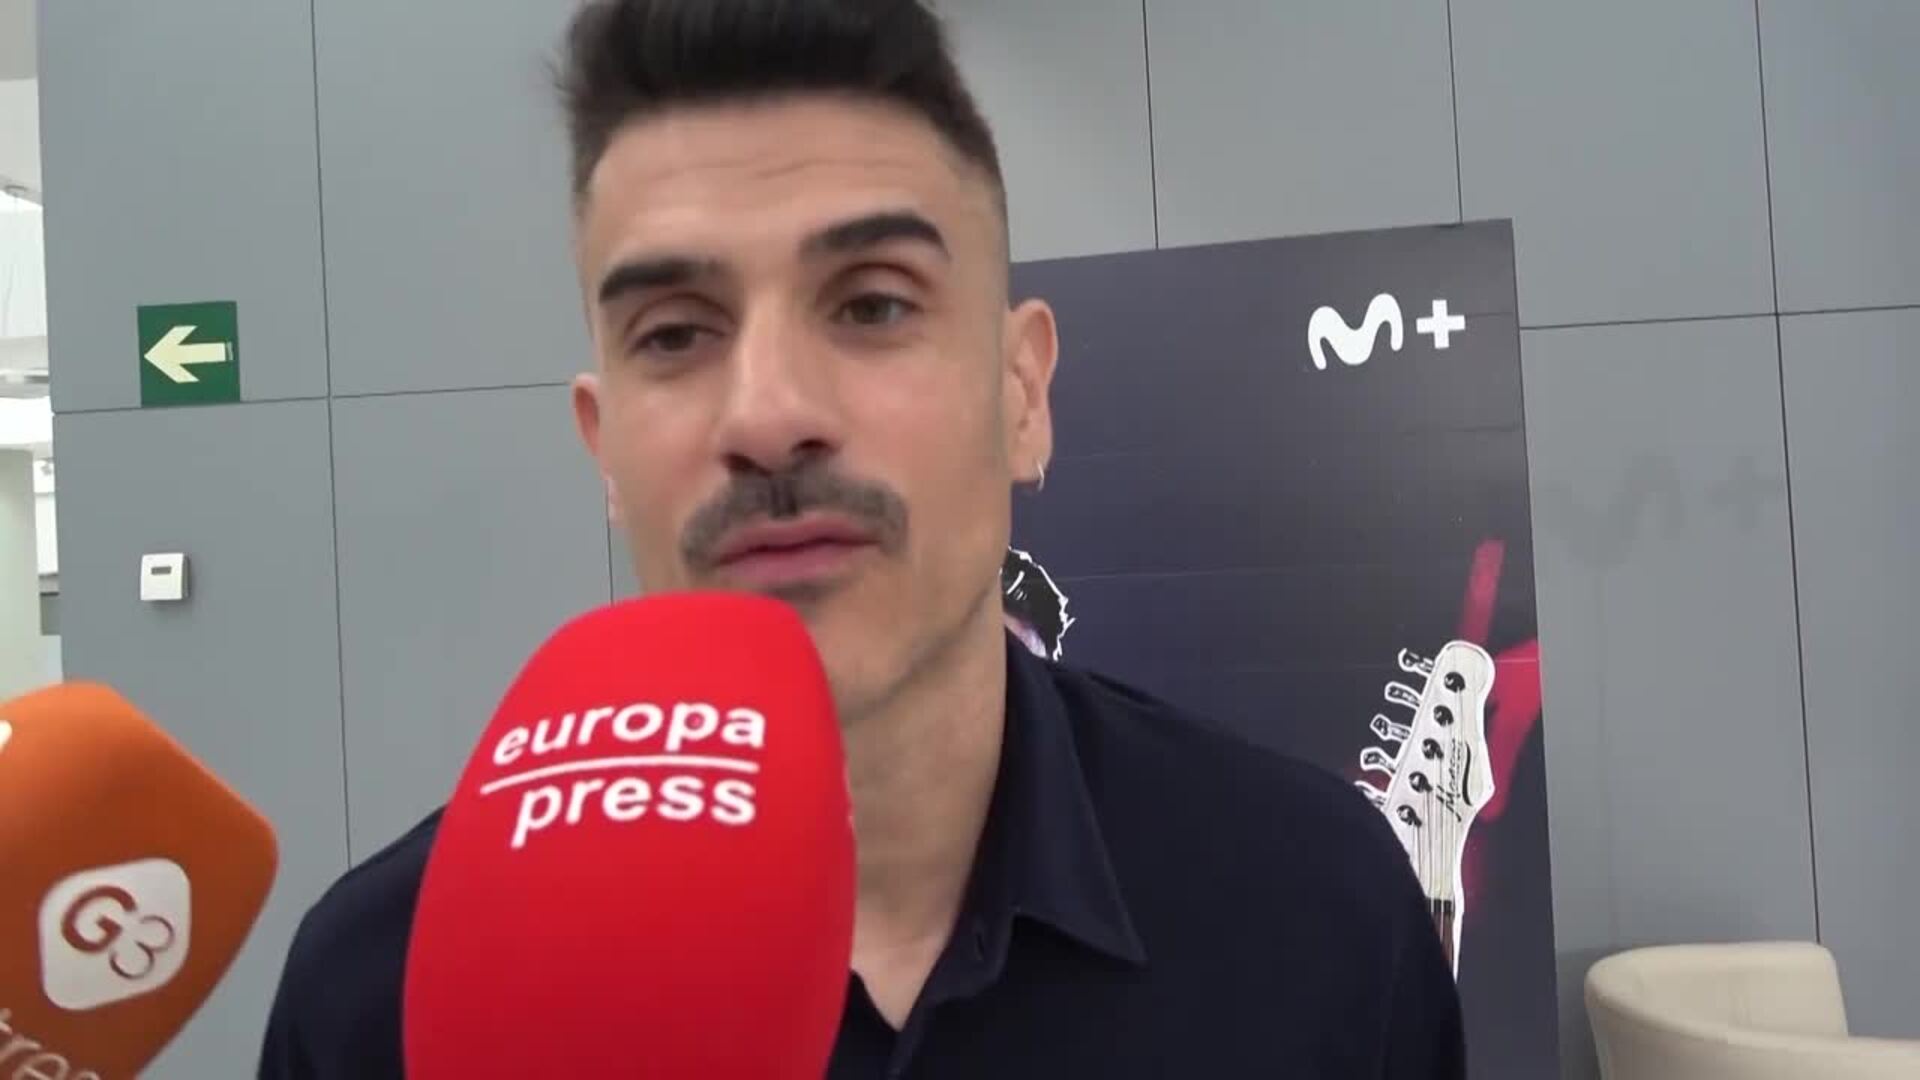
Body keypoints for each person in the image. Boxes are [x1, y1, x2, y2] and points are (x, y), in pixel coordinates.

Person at [258, 2, 1466, 1076]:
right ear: (604, 448)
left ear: (1022, 395)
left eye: (874, 303)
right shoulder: (377, 998)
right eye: (675, 333)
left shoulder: (1321, 916)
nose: (769, 415)